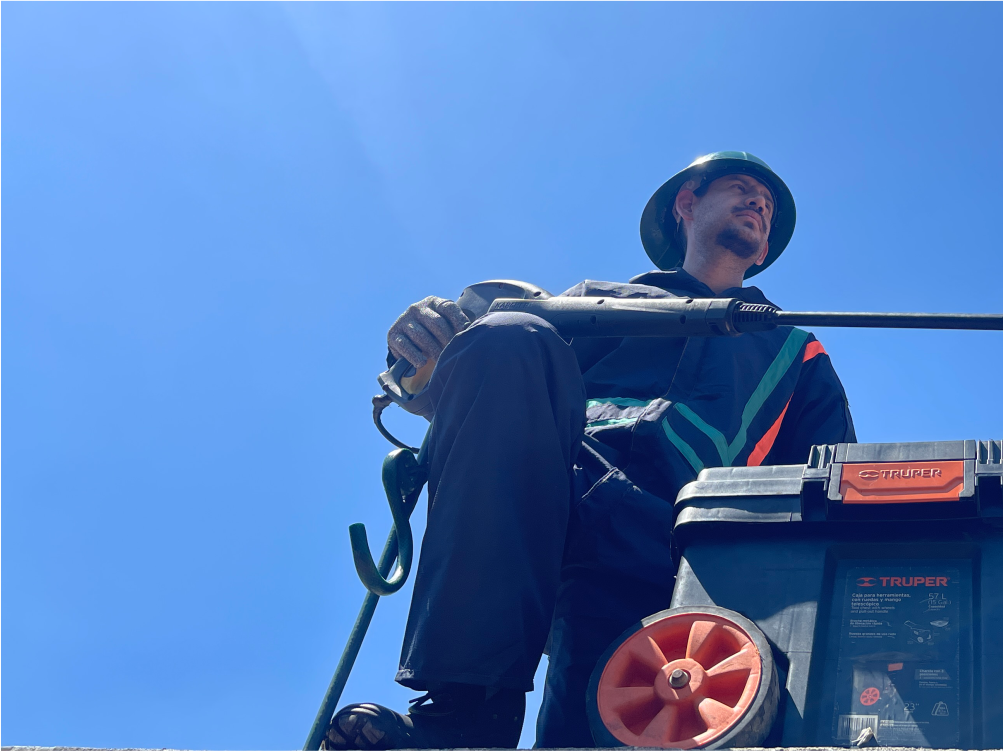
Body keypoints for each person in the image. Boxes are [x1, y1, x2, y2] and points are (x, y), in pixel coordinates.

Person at [325, 151, 856, 749]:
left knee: (594, 726)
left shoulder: (793, 351)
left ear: (762, 252)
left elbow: (827, 479)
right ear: (687, 204)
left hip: (681, 542)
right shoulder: (590, 304)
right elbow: (491, 394)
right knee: (507, 335)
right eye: (741, 188)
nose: (759, 204)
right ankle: (462, 721)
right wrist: (427, 360)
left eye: (768, 205)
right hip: (548, 502)